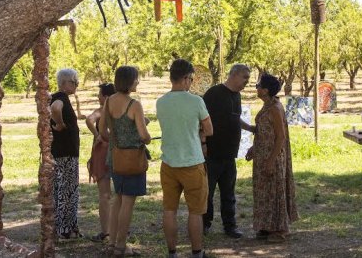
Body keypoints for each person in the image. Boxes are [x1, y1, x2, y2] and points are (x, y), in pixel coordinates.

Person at [156, 59, 213, 258]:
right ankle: (197, 252)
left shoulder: (160, 102)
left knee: (169, 209)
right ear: (187, 78)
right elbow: (209, 129)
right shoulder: (196, 101)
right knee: (195, 211)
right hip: (192, 162)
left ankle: (172, 252)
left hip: (168, 163)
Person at [102, 66, 151, 256]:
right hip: (132, 160)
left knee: (118, 200)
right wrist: (144, 130)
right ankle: (121, 246)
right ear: (130, 81)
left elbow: (102, 129)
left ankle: (112, 242)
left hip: (114, 157)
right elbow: (144, 136)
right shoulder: (134, 105)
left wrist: (117, 140)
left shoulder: (108, 102)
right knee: (128, 202)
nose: (138, 82)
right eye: (136, 79)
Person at [202, 64, 253, 238]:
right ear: (234, 75)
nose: (247, 81)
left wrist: (250, 128)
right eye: (245, 77)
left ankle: (230, 226)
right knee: (206, 192)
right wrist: (203, 144)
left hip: (229, 155)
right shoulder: (214, 94)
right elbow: (201, 119)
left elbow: (235, 118)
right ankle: (203, 224)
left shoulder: (237, 96)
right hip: (212, 154)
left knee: (228, 193)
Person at [246, 73, 298, 242]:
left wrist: (270, 161)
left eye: (258, 86)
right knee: (264, 193)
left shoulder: (275, 108)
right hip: (262, 155)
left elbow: (281, 137)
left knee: (274, 193)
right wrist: (254, 148)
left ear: (265, 90)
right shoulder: (268, 105)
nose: (256, 88)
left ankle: (280, 230)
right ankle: (266, 227)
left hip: (272, 157)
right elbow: (264, 130)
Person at [49, 68, 82, 239]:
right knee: (67, 191)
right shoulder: (60, 98)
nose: (76, 84)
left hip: (62, 152)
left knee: (62, 190)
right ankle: (65, 229)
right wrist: (60, 124)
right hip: (66, 154)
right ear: (64, 83)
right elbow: (55, 108)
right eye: (73, 81)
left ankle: (65, 227)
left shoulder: (60, 97)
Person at [85, 83, 115, 243]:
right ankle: (118, 228)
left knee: (104, 194)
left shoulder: (102, 110)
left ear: (106, 96)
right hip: (119, 153)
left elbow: (89, 120)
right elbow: (145, 121)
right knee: (121, 195)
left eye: (100, 94)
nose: (98, 97)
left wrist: (98, 135)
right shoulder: (122, 107)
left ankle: (106, 232)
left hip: (102, 153)